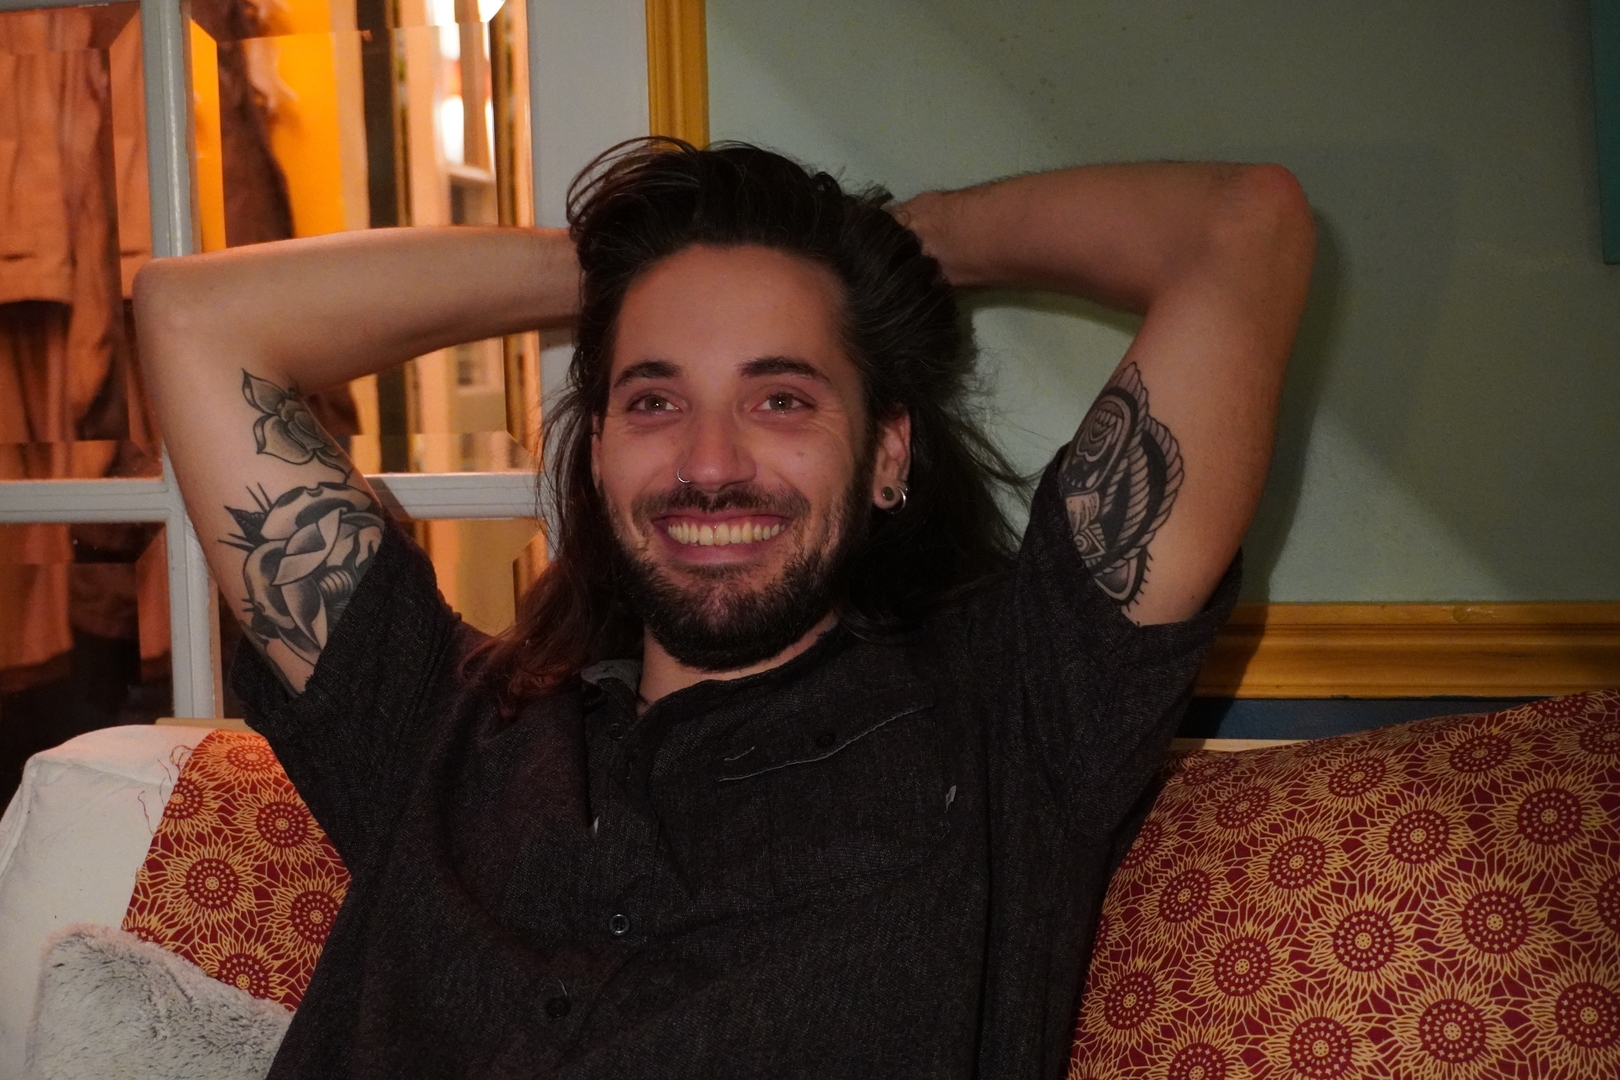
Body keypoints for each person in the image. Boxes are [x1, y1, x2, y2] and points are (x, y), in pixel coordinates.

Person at [136, 139, 1314, 1079]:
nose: (709, 463)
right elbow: (193, 317)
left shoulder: (1013, 711)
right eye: (654, 401)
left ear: (886, 453)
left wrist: (889, 246)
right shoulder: (436, 725)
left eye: (781, 398)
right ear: (599, 451)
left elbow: (1240, 227)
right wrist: (630, 270)